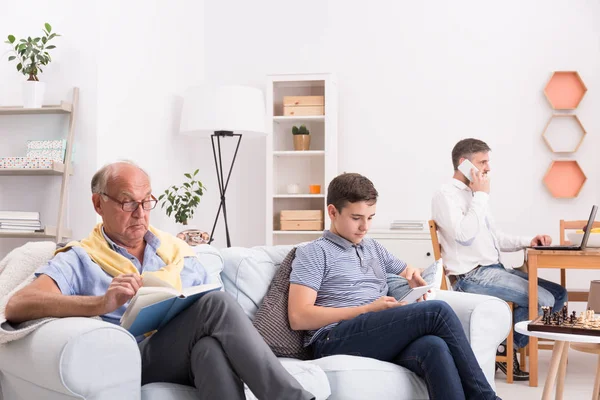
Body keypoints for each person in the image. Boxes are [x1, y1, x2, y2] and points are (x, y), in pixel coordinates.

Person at [5, 161, 314, 400]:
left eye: (146, 201)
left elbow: (223, 325)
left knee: (209, 349)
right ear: (98, 204)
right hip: (134, 356)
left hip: (184, 352)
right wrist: (101, 302)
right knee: (216, 305)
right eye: (127, 203)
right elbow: (18, 306)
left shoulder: (174, 251)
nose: (140, 213)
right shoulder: (81, 257)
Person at [288, 172, 501, 400]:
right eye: (356, 218)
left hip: (373, 330)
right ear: (332, 212)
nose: (364, 227)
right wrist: (367, 309)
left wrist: (413, 276)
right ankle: (486, 397)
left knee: (434, 346)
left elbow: (409, 269)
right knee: (437, 312)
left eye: (370, 218)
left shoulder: (373, 248)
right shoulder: (314, 252)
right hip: (333, 337)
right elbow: (299, 316)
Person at [431, 138, 568, 381]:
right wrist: (481, 196)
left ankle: (503, 347)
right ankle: (503, 350)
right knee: (543, 300)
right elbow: (463, 235)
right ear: (463, 164)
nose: (488, 168)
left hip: (495, 269)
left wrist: (529, 240)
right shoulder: (446, 195)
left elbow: (497, 238)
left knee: (558, 294)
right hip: (471, 276)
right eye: (482, 162)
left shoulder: (476, 195)